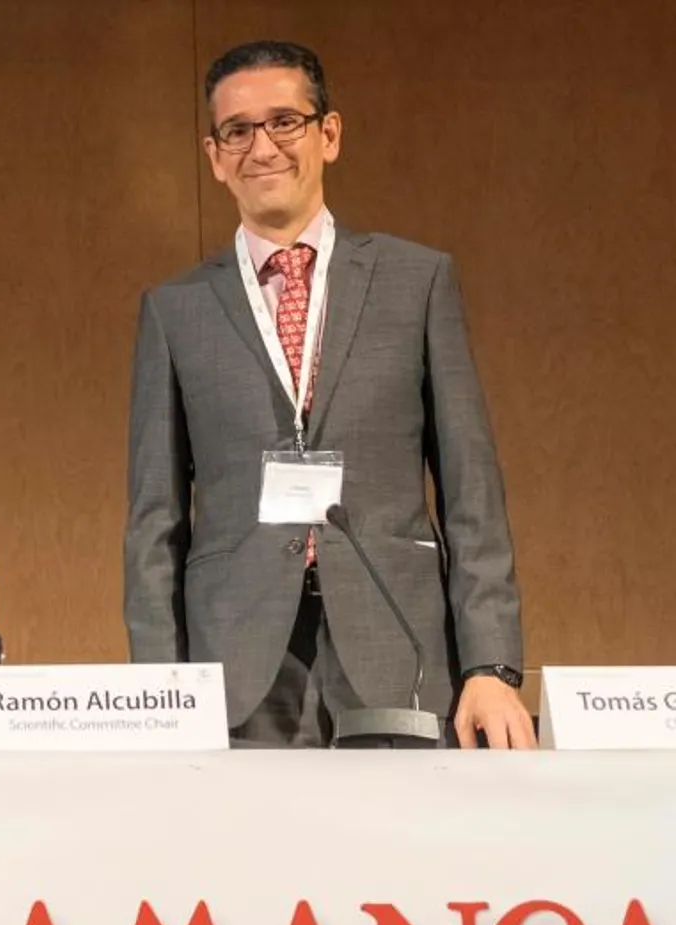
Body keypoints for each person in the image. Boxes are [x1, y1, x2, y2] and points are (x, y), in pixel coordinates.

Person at [123, 41, 534, 749]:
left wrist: (490, 664)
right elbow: (154, 522)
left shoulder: (417, 281)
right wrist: (162, 692)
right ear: (215, 155)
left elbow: (471, 489)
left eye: (285, 121)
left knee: (400, 858)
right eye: (238, 130)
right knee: (255, 859)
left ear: (329, 134)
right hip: (238, 663)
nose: (263, 147)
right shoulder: (175, 310)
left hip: (395, 640)